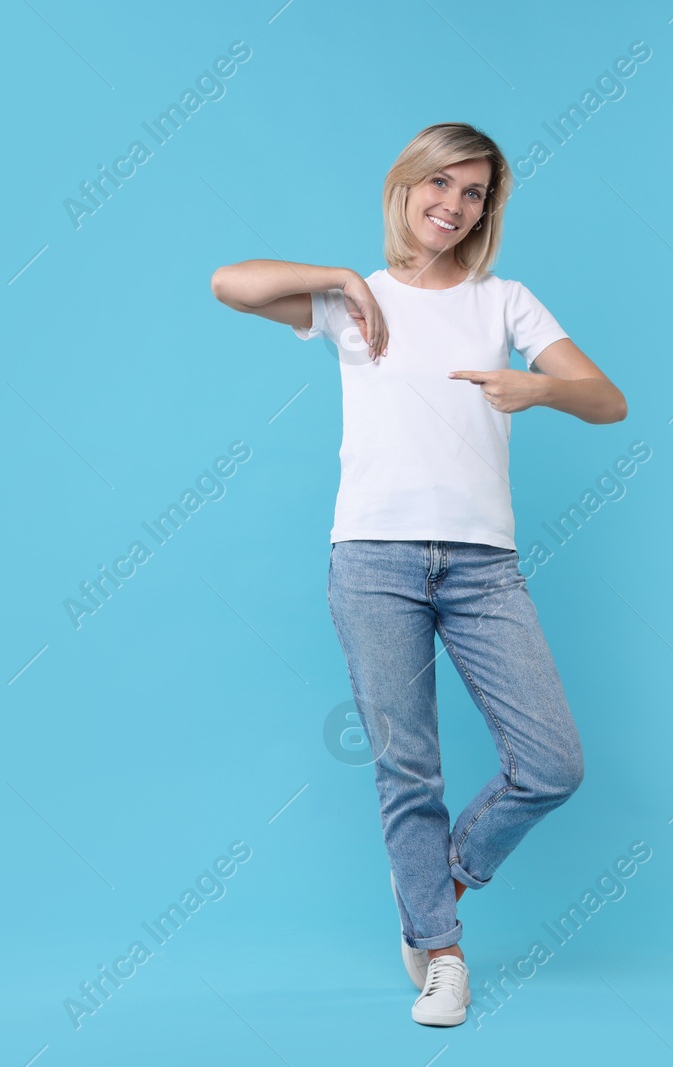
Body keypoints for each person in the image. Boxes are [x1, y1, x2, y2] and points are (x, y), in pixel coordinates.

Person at [209, 122, 627, 1027]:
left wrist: (539, 387)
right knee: (410, 770)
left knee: (552, 762)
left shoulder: (505, 300)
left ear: (487, 210)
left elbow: (608, 400)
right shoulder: (352, 306)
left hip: (483, 568)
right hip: (373, 559)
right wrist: (338, 279)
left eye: (475, 193)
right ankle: (441, 953)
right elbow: (226, 284)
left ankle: (432, 888)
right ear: (406, 187)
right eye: (441, 184)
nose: (455, 204)